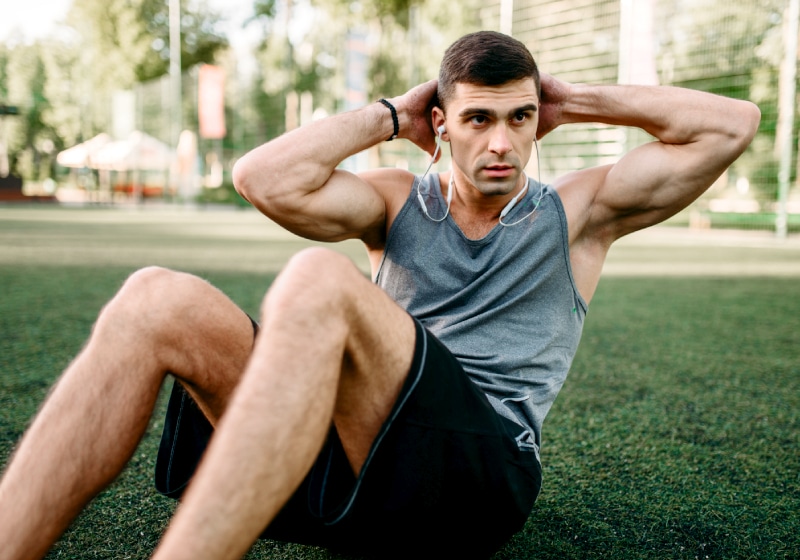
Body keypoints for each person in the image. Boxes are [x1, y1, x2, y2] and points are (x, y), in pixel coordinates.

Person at [0, 31, 759, 560]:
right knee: (153, 297)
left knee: (318, 279)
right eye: (479, 119)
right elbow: (262, 179)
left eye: (520, 119)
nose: (502, 143)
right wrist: (389, 117)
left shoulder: (579, 214)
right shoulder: (397, 203)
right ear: (442, 125)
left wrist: (572, 98)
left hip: (475, 484)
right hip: (356, 463)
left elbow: (731, 125)